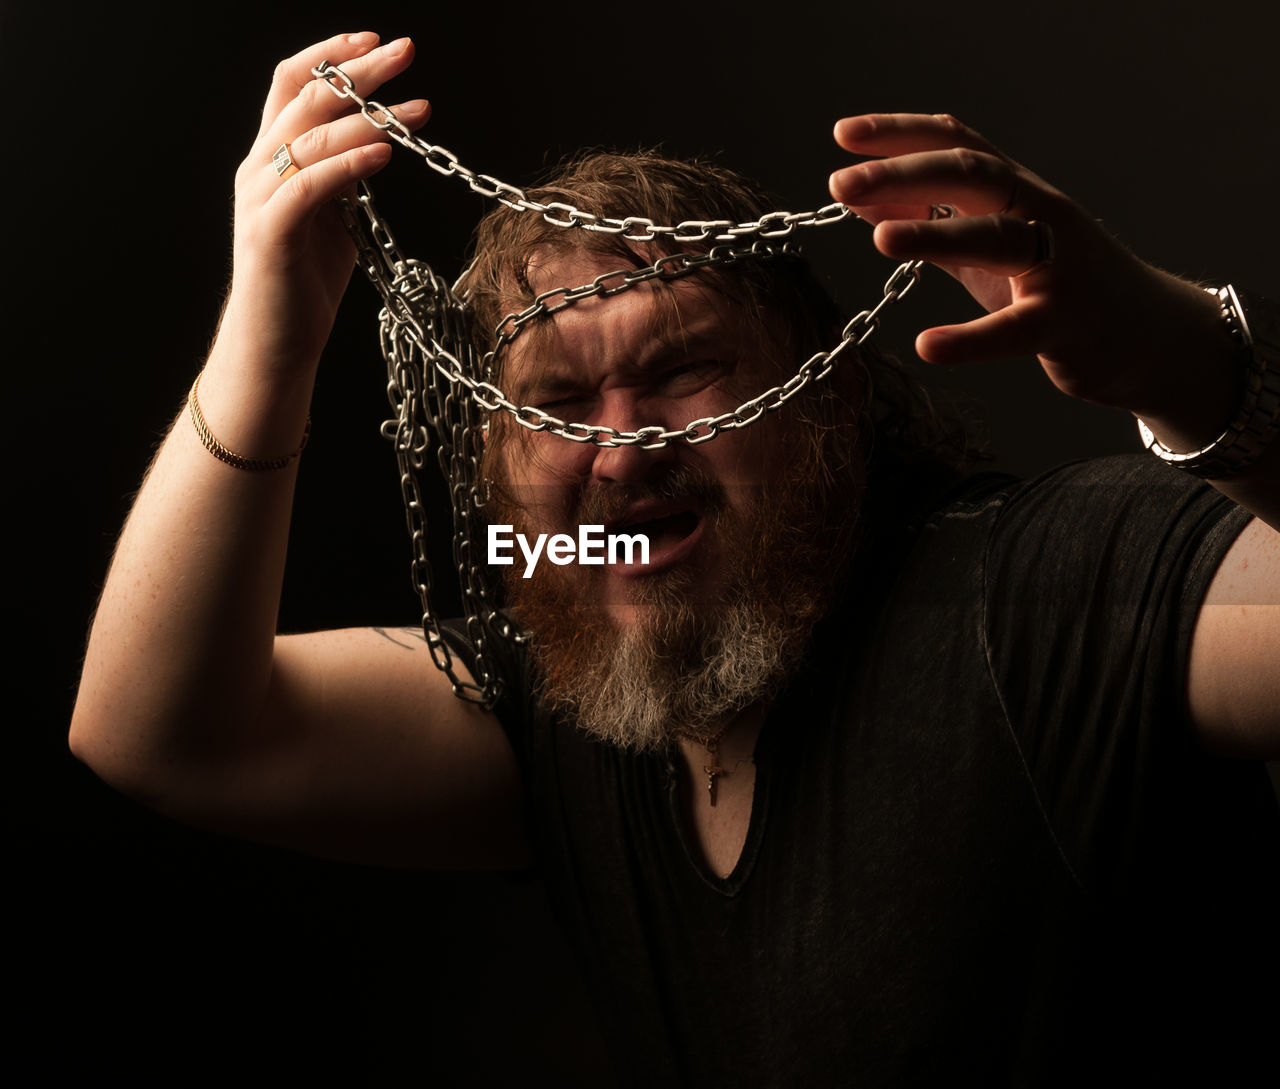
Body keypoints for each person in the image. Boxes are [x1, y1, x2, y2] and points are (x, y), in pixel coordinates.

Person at [70, 31, 1279, 1085]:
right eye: (554, 400)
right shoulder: (567, 712)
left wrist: (1178, 366)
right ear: (495, 468)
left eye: (680, 370)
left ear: (828, 400)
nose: (618, 452)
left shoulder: (1039, 592)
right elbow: (161, 728)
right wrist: (268, 334)